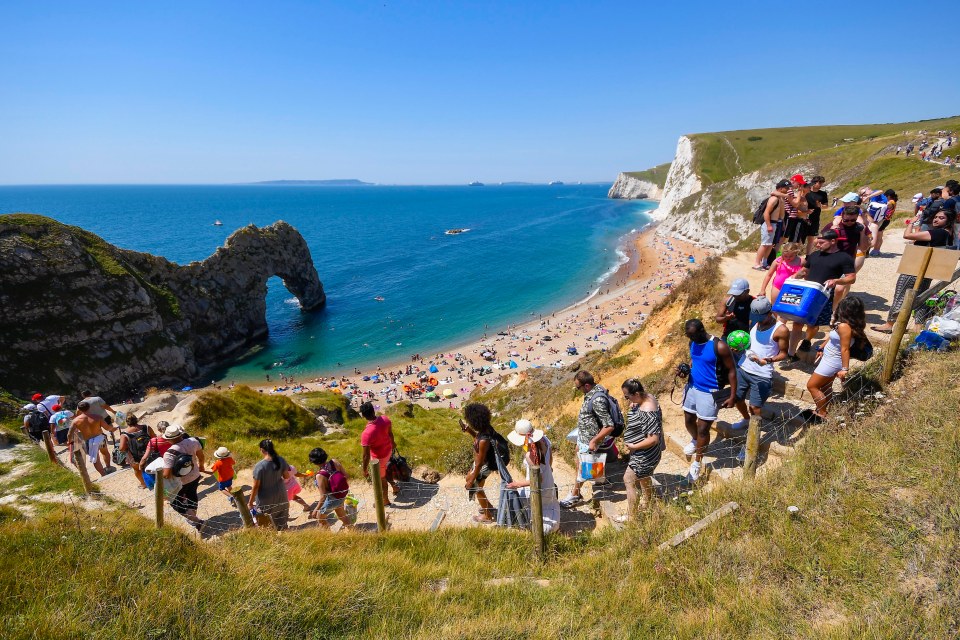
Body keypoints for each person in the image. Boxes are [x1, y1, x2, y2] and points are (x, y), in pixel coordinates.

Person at [872, 210, 955, 333]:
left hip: (915, 267)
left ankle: (889, 324)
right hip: (928, 269)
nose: (936, 219)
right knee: (921, 297)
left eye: (941, 218)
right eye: (936, 217)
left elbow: (907, 235)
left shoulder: (938, 233)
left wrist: (911, 223)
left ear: (948, 221)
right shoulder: (948, 234)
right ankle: (917, 327)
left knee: (901, 294)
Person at [728, 299, 789, 458]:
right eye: (755, 318)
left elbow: (784, 353)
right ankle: (747, 420)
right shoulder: (754, 321)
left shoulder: (781, 330)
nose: (757, 321)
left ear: (770, 313)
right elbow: (751, 343)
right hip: (744, 368)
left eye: (760, 318)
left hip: (761, 375)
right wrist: (740, 348)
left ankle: (751, 442)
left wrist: (767, 360)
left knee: (755, 408)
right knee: (737, 399)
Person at [787, 229, 857, 359]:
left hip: (823, 296)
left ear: (832, 241)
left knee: (813, 325)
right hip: (807, 293)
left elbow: (851, 278)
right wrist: (795, 276)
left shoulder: (844, 257)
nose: (817, 245)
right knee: (797, 323)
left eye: (821, 243)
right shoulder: (814, 255)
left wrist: (836, 281)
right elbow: (805, 270)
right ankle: (791, 354)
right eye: (817, 243)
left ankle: (807, 340)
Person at [681, 319, 737, 483]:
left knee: (703, 428)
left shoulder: (719, 346)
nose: (691, 339)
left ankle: (697, 463)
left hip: (710, 392)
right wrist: (686, 371)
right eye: (689, 336)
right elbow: (695, 361)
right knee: (688, 420)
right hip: (692, 387)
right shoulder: (692, 342)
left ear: (701, 330)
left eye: (693, 335)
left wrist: (732, 396)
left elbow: (732, 371)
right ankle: (695, 440)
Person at [559, 370, 616, 508]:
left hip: (590, 440)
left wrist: (594, 441)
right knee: (578, 459)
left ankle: (575, 495)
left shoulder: (597, 400)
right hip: (584, 438)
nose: (577, 390)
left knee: (583, 470)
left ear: (586, 386)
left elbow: (609, 425)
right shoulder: (593, 392)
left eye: (578, 387)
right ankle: (600, 480)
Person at [806, 296, 867, 421]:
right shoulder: (845, 324)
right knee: (825, 386)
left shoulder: (844, 326)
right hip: (830, 358)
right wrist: (822, 347)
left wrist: (845, 369)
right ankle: (822, 409)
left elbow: (845, 349)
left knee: (812, 386)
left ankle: (822, 413)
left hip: (832, 362)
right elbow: (833, 337)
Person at [617, 379, 662, 521]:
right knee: (643, 477)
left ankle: (632, 517)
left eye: (627, 396)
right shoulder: (646, 398)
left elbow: (653, 438)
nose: (627, 400)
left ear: (636, 393)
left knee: (628, 479)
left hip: (645, 453)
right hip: (643, 451)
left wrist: (634, 446)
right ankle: (648, 503)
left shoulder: (647, 410)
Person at [505, 419, 560, 534]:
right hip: (548, 482)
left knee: (533, 506)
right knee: (548, 502)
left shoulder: (531, 454)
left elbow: (538, 479)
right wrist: (547, 470)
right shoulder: (544, 439)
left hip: (539, 486)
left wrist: (517, 484)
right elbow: (549, 460)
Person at [461, 402, 509, 522]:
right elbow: (478, 437)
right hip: (485, 461)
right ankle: (488, 506)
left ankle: (487, 516)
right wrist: (469, 431)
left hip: (486, 464)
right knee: (470, 480)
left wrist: (472, 480)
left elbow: (480, 462)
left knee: (476, 487)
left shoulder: (484, 440)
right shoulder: (487, 428)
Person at [161, 424, 205, 530]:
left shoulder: (169, 453)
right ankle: (192, 518)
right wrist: (202, 466)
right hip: (195, 475)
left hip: (181, 481)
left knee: (176, 502)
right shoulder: (194, 441)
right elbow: (201, 456)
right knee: (192, 496)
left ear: (168, 439)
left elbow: (167, 475)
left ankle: (197, 521)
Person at [359, 402, 398, 504]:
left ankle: (385, 500)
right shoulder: (385, 419)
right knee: (385, 469)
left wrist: (364, 470)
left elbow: (366, 455)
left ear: (363, 415)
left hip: (379, 458)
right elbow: (390, 433)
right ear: (373, 410)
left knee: (381, 479)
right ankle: (394, 486)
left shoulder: (366, 434)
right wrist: (393, 443)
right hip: (388, 450)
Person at [248, 439, 292, 530]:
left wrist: (250, 502)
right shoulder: (281, 460)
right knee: (282, 523)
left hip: (266, 499)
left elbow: (256, 487)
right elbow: (286, 476)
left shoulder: (259, 466)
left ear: (261, 450)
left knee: (266, 525)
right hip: (281, 494)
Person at [308, 447, 354, 529]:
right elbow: (346, 476)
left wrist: (316, 509)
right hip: (341, 494)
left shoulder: (320, 475)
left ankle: (328, 537)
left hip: (332, 500)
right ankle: (354, 532)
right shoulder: (334, 462)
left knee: (320, 518)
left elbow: (323, 497)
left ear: (314, 462)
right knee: (342, 516)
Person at [66, 401, 111, 476]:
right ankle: (108, 467)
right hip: (100, 438)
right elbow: (107, 428)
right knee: (105, 452)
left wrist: (69, 441)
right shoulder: (97, 417)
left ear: (79, 410)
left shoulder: (75, 421)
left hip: (89, 441)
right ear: (89, 407)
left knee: (95, 458)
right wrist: (113, 429)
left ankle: (103, 474)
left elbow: (69, 434)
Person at [753, 179, 789, 270]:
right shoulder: (774, 199)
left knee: (769, 244)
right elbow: (766, 213)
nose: (788, 189)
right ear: (781, 189)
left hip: (775, 223)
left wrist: (782, 223)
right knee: (765, 244)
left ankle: (764, 263)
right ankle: (757, 263)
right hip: (770, 223)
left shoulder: (780, 198)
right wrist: (768, 225)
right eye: (786, 188)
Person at [118, 414, 155, 489]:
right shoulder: (146, 427)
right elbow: (154, 438)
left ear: (127, 422)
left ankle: (143, 484)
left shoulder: (125, 434)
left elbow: (121, 448)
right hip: (150, 453)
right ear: (136, 419)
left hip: (135, 457)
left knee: (137, 470)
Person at [868, 189, 898, 255]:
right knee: (879, 235)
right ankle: (876, 250)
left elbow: (885, 207)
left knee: (879, 235)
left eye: (886, 196)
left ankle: (876, 250)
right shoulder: (893, 201)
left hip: (884, 220)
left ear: (889, 196)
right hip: (885, 220)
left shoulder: (891, 202)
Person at [805, 176, 829, 254]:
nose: (820, 185)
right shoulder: (807, 192)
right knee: (800, 237)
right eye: (819, 183)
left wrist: (820, 206)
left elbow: (826, 206)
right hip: (804, 216)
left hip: (815, 217)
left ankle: (808, 255)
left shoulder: (823, 194)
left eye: (821, 183)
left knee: (811, 238)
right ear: (814, 182)